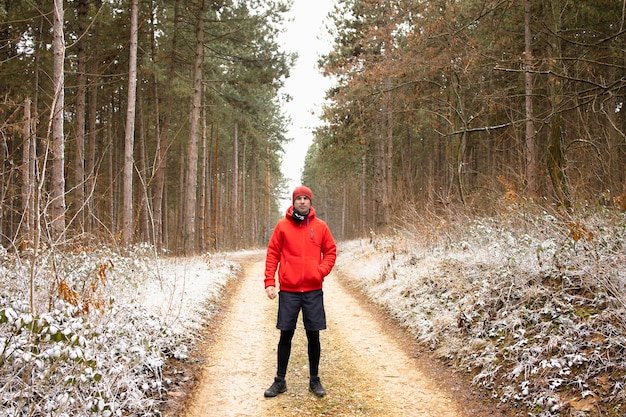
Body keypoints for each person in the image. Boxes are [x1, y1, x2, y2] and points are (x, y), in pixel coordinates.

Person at [263, 185, 337, 398]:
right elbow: (272, 254)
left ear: (310, 202)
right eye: (299, 198)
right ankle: (280, 381)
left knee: (313, 336)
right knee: (285, 334)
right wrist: (270, 281)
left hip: (313, 291)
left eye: (306, 198)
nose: (302, 202)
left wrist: (319, 271)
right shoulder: (282, 226)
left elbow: (330, 252)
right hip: (289, 291)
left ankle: (314, 380)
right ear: (293, 202)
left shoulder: (321, 227)